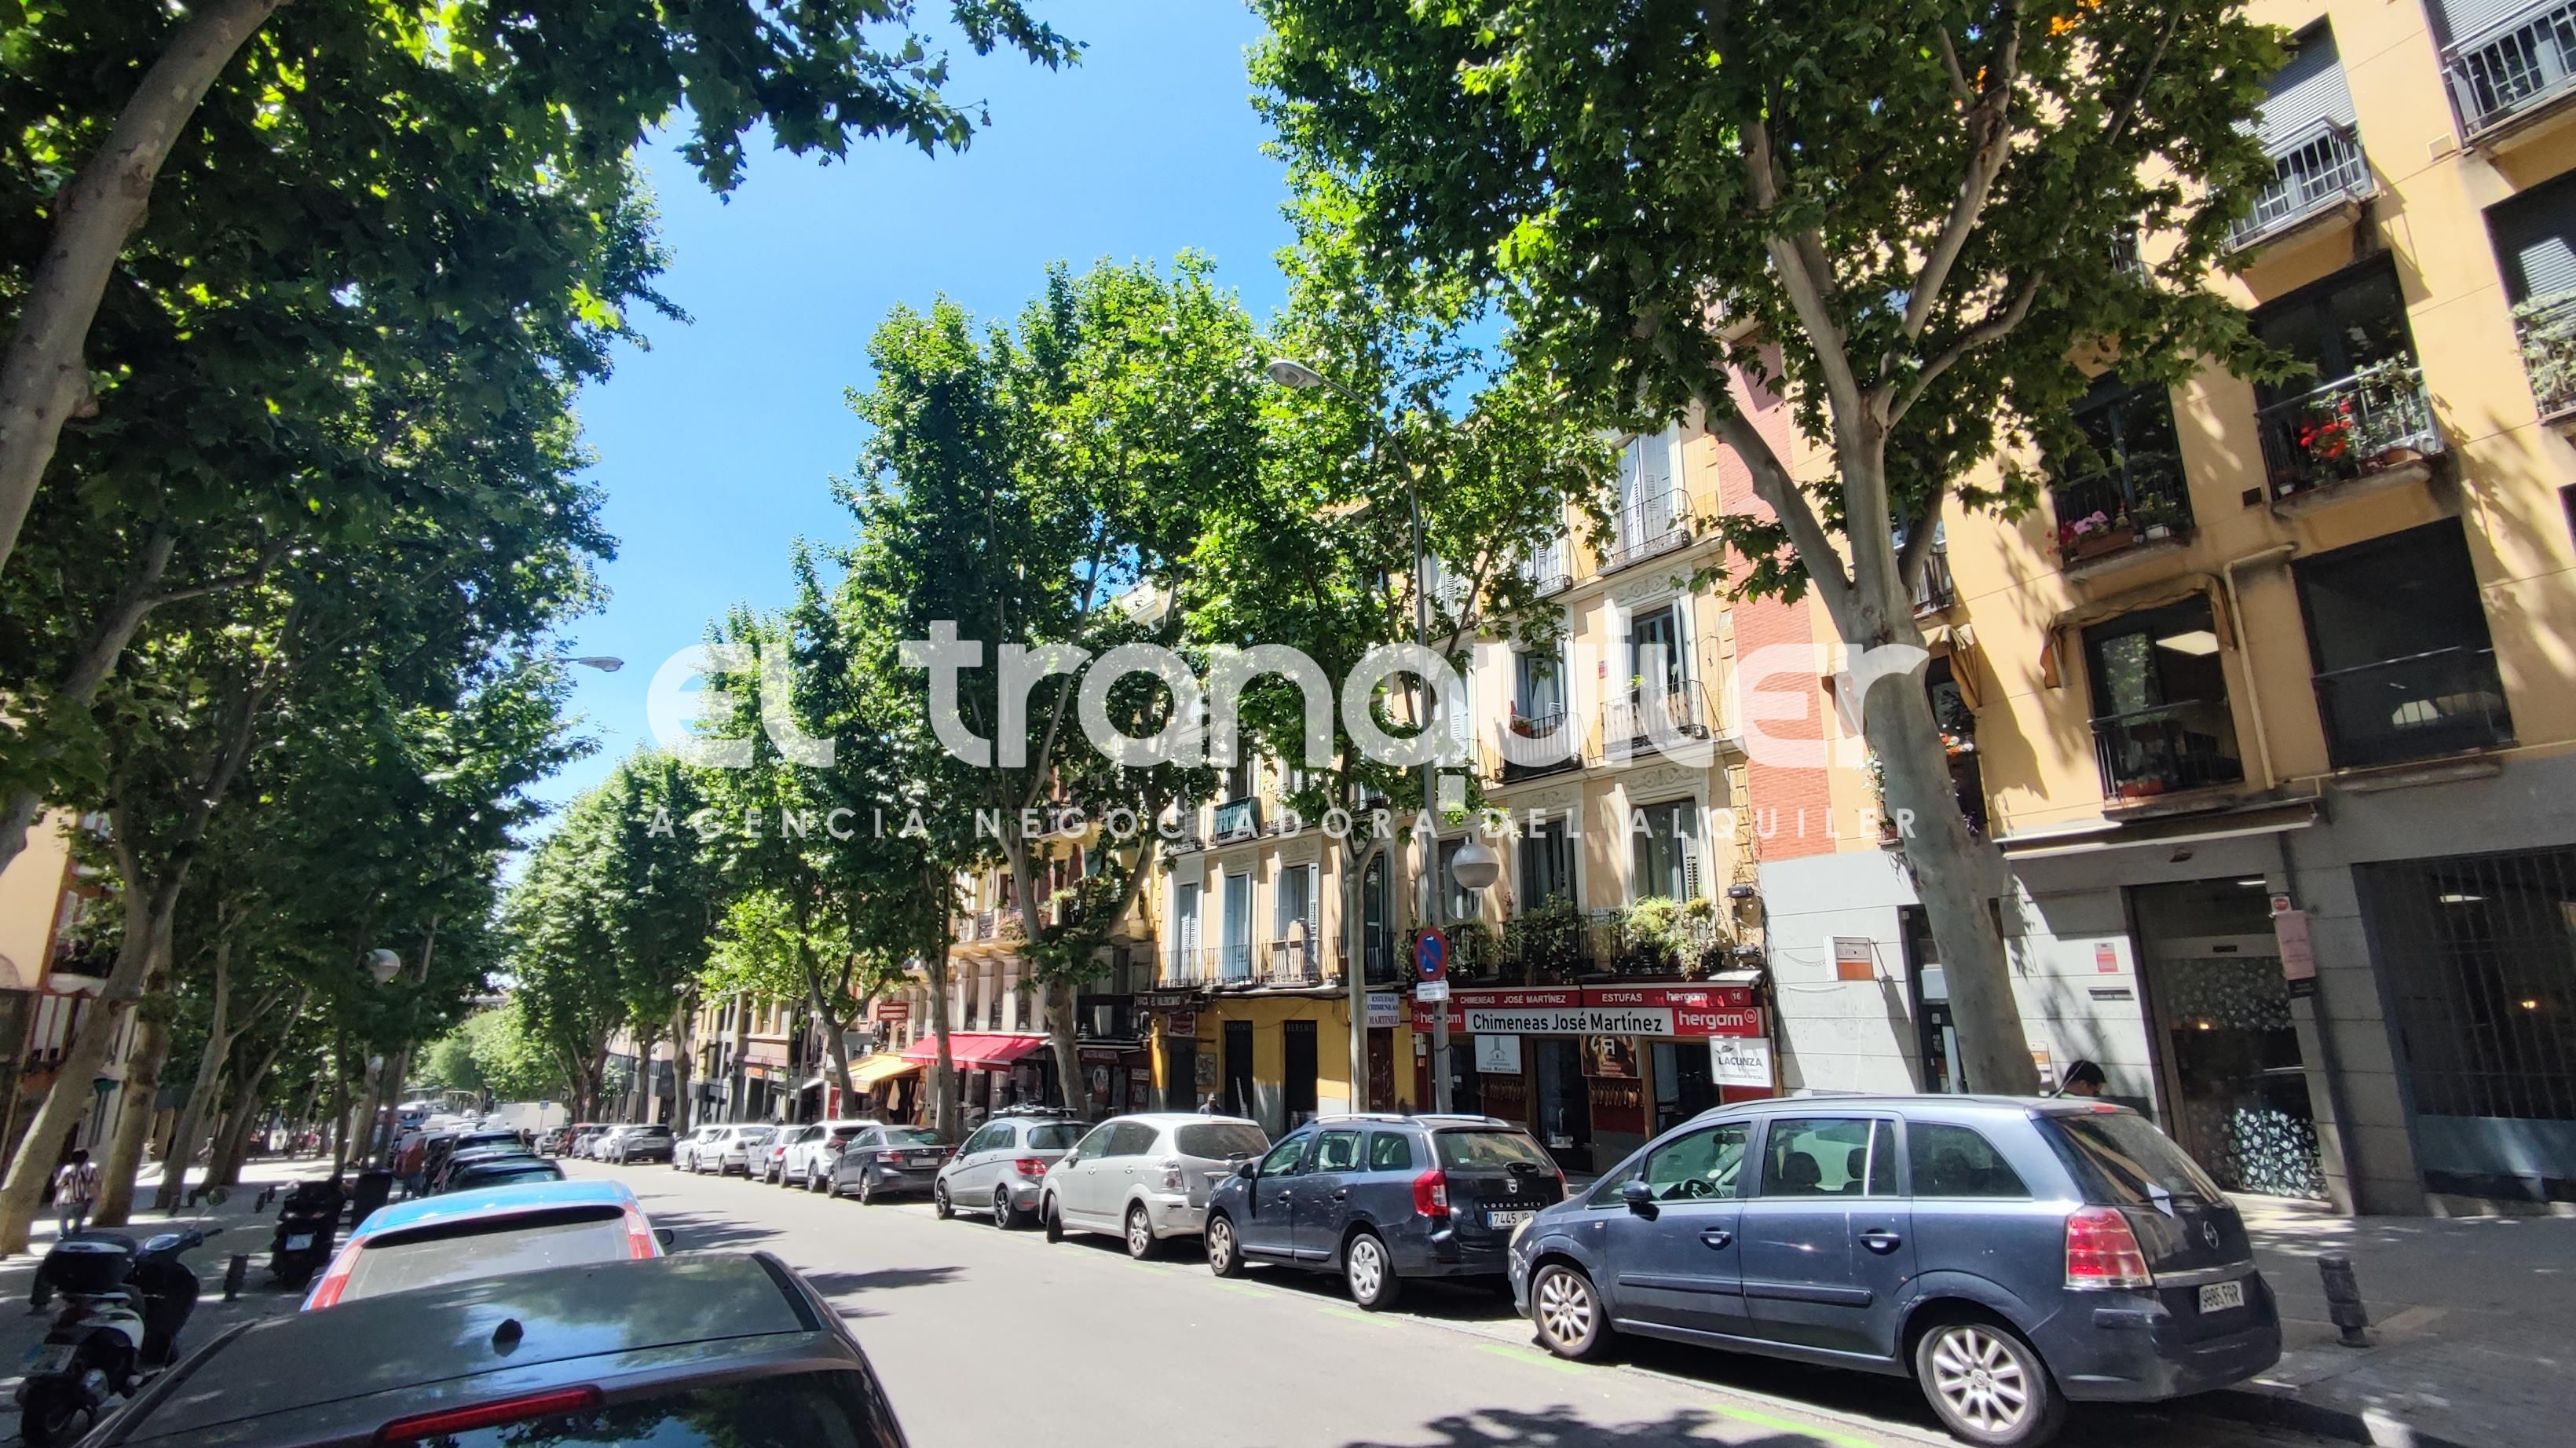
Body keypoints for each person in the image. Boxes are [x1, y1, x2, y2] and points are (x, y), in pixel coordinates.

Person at [53, 1149, 97, 1239]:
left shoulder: (67, 1170)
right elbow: (95, 1185)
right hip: (83, 1201)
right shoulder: (91, 1170)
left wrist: (56, 1200)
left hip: (67, 1200)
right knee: (78, 1223)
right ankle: (75, 1238)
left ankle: (65, 1239)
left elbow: (60, 1185)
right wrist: (98, 1198)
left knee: (63, 1222)